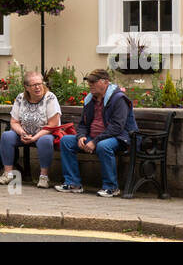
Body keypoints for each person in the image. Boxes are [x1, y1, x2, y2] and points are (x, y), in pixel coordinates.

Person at [55, 68, 136, 196]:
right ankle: (73, 183)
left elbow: (117, 127)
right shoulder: (90, 100)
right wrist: (81, 136)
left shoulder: (119, 99)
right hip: (93, 138)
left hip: (120, 137)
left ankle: (111, 187)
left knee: (103, 146)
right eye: (89, 82)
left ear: (106, 82)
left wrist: (95, 141)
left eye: (94, 82)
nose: (90, 85)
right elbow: (83, 124)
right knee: (66, 141)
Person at [0, 71, 61, 188]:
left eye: (39, 84)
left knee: (44, 141)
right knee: (7, 136)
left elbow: (53, 125)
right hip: (25, 133)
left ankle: (44, 177)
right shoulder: (21, 98)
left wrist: (35, 137)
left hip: (45, 133)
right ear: (26, 87)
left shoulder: (50, 97)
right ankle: (8, 174)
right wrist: (22, 133)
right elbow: (14, 122)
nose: (37, 87)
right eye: (33, 85)